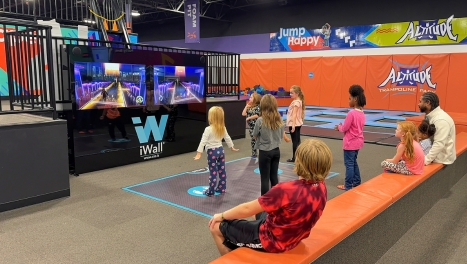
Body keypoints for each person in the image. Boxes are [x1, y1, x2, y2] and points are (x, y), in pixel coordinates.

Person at [208, 139, 330, 255]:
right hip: (295, 237)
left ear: (299, 162)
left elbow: (246, 209)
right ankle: (244, 242)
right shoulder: (322, 187)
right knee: (258, 212)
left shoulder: (287, 190)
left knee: (215, 226)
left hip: (272, 241)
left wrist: (221, 215)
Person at [194, 106, 239, 197]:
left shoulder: (208, 129)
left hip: (212, 152)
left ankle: (211, 191)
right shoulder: (222, 127)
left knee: (213, 172)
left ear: (211, 117)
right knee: (222, 170)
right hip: (221, 151)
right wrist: (231, 147)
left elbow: (203, 141)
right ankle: (222, 188)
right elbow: (227, 138)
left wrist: (199, 153)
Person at [252, 95, 291, 196]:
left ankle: (264, 204)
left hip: (265, 152)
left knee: (264, 178)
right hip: (276, 151)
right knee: (274, 176)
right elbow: (282, 134)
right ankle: (276, 199)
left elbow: (254, 135)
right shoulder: (279, 119)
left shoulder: (260, 120)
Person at [334, 85, 366, 191]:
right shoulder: (362, 113)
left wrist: (338, 127)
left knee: (349, 164)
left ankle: (348, 185)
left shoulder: (351, 113)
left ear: (355, 99)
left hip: (350, 143)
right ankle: (357, 182)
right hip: (358, 142)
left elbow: (345, 128)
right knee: (353, 162)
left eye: (349, 98)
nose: (349, 101)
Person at [418, 92, 456, 165]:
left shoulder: (440, 120)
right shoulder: (429, 116)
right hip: (434, 155)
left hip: (441, 159)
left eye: (420, 102)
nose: (418, 104)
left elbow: (439, 144)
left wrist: (426, 160)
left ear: (427, 103)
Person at [286, 85, 305, 162]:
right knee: (297, 140)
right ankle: (299, 157)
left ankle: (295, 158)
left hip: (294, 124)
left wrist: (293, 125)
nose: (290, 94)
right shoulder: (298, 101)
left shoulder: (296, 102)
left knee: (295, 141)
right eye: (290, 93)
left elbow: (294, 114)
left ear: (297, 93)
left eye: (292, 93)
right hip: (298, 123)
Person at [242, 93, 261, 158]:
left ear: (255, 99)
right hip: (251, 127)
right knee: (253, 140)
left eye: (251, 97)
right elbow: (243, 114)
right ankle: (254, 153)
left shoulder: (258, 106)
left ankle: (262, 152)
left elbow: (257, 115)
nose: (249, 98)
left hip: (257, 126)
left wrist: (249, 118)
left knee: (259, 139)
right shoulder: (250, 106)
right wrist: (246, 107)